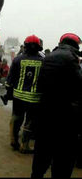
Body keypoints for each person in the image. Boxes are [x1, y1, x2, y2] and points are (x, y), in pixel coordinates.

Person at [31, 33, 82, 178]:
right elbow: (78, 87)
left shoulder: (48, 57)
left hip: (45, 113)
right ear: (75, 45)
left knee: (41, 156)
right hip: (66, 117)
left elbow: (39, 85)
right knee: (63, 162)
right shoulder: (72, 58)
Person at [0, 35, 44, 153]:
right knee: (30, 121)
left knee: (16, 118)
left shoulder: (17, 59)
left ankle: (14, 141)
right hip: (35, 98)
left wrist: (9, 93)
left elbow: (10, 79)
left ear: (25, 46)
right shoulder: (43, 61)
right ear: (39, 47)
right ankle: (25, 146)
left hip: (18, 96)